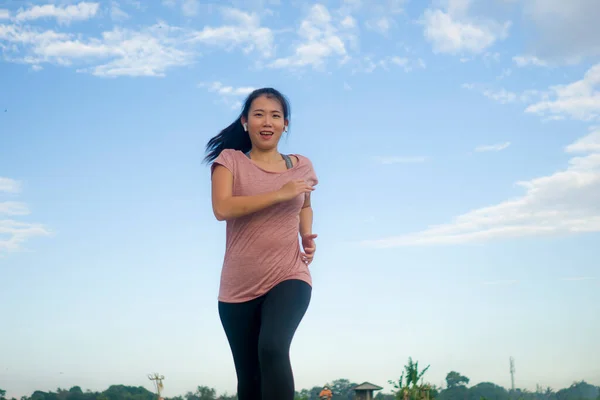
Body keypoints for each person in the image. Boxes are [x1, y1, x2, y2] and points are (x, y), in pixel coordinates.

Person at [205, 87, 319, 400]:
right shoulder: (228, 161)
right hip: (237, 288)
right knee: (250, 377)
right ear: (245, 122)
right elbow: (222, 208)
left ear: (285, 124)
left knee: (271, 347)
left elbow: (305, 204)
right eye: (258, 114)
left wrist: (305, 234)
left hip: (289, 274)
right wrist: (279, 193)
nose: (266, 121)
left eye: (275, 115)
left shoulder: (301, 166)